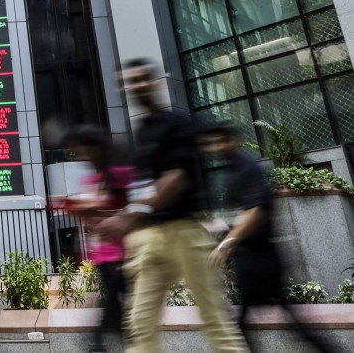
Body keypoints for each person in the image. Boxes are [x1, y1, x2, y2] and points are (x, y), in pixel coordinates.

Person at [95, 59, 248, 353]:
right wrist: (126, 219)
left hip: (184, 232)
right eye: (131, 81)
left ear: (154, 83)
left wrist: (127, 217)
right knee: (140, 325)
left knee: (214, 319)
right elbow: (144, 189)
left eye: (143, 79)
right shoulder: (141, 132)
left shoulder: (179, 123)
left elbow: (174, 180)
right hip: (150, 239)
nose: (138, 85)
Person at [200, 122, 337, 352]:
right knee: (259, 323)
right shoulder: (231, 170)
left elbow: (256, 211)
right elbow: (239, 214)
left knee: (274, 323)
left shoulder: (246, 167)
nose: (216, 146)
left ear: (232, 140)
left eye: (220, 140)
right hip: (250, 257)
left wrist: (225, 245)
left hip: (262, 258)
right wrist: (213, 226)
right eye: (212, 142)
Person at [62, 125, 131, 349]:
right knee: (115, 310)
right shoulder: (94, 181)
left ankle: (98, 344)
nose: (85, 158)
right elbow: (92, 220)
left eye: (85, 152)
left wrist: (90, 207)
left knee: (116, 310)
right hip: (105, 256)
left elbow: (136, 209)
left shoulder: (120, 174)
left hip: (125, 254)